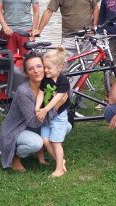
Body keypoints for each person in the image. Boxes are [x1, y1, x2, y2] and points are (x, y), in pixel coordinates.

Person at [0, 53, 52, 172]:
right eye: (31, 68)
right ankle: (14, 156)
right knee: (35, 143)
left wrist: (61, 95)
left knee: (66, 126)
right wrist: (51, 106)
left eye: (39, 66)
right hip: (17, 129)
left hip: (36, 125)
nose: (36, 71)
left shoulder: (49, 84)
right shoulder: (24, 91)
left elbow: (66, 97)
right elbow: (33, 122)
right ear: (26, 72)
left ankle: (42, 152)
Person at [34, 47, 72, 177]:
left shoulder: (63, 81)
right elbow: (40, 93)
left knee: (56, 142)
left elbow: (58, 98)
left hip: (59, 116)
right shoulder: (46, 79)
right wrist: (37, 108)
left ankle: (59, 169)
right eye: (45, 67)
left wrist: (44, 109)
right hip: (47, 115)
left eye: (49, 68)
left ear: (60, 67)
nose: (45, 70)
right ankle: (60, 161)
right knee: (45, 140)